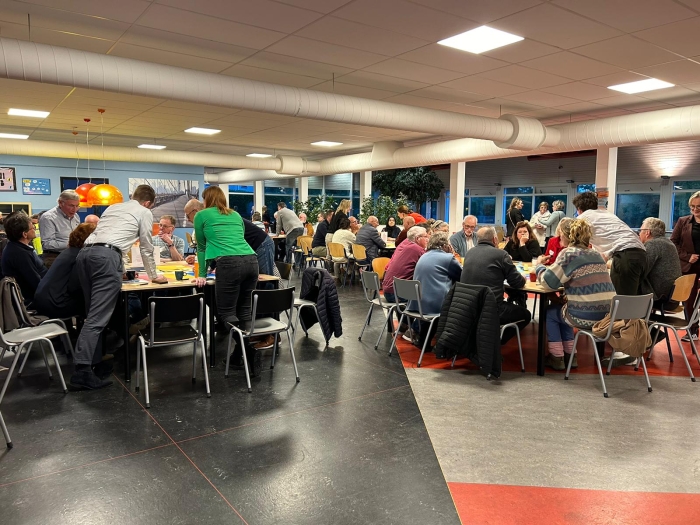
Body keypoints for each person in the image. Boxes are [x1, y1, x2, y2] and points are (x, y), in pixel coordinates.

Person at [72, 185, 166, 390]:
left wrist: (120, 269)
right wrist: (154, 276)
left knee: (91, 315)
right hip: (106, 258)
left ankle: (94, 362)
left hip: (85, 255)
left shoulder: (113, 208)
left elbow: (109, 238)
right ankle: (82, 372)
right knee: (97, 319)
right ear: (148, 203)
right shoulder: (144, 212)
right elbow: (146, 247)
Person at [535, 218, 617, 370]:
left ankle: (556, 357)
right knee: (565, 310)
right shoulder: (596, 254)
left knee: (551, 313)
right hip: (608, 317)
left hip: (587, 316)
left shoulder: (569, 254)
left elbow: (548, 282)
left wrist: (539, 265)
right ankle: (570, 355)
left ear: (567, 235)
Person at [194, 186, 260, 366]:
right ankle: (240, 356)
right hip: (252, 260)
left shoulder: (201, 215)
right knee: (243, 311)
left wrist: (202, 274)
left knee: (225, 313)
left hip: (229, 264)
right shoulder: (235, 215)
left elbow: (201, 247)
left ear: (207, 199)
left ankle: (248, 350)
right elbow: (235, 240)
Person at [461, 226, 531, 343]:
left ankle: (486, 338)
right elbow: (517, 283)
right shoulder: (501, 254)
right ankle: (496, 341)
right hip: (492, 308)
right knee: (526, 315)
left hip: (468, 306)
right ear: (494, 239)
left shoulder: (469, 253)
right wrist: (522, 278)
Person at [573, 191, 646, 295]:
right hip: (642, 254)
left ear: (579, 209)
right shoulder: (607, 214)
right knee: (633, 298)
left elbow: (574, 244)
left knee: (620, 300)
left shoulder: (582, 218)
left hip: (626, 256)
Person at [409, 232, 462, 347]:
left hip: (417, 303)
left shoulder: (424, 255)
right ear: (445, 245)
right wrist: (452, 255)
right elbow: (462, 275)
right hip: (435, 306)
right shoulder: (447, 258)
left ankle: (423, 340)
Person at [33, 223, 96, 319]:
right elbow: (75, 287)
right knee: (98, 303)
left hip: (43, 301)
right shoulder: (79, 256)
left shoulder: (67, 253)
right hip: (56, 304)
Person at [671, 190, 700, 340]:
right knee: (689, 300)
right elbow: (673, 243)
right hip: (689, 266)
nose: (695, 209)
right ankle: (692, 330)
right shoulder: (683, 221)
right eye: (692, 206)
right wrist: (687, 257)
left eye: (699, 207)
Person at [0, 211, 47, 304]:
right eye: (32, 227)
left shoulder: (15, 247)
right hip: (32, 301)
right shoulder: (20, 254)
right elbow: (35, 282)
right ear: (24, 234)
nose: (35, 229)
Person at [640, 217, 681, 310]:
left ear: (647, 232)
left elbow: (641, 270)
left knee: (629, 280)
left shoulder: (653, 244)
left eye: (641, 230)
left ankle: (626, 317)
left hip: (660, 297)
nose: (639, 233)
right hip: (672, 296)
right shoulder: (668, 242)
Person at [382, 226, 429, 303]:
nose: (428, 239)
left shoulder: (404, 243)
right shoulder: (417, 249)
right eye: (426, 236)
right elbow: (430, 264)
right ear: (417, 238)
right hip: (397, 294)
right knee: (433, 295)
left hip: (389, 290)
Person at [39, 189, 81, 267]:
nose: (74, 209)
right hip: (54, 257)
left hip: (73, 255)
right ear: (60, 203)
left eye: (77, 206)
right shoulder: (48, 217)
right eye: (71, 206)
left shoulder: (76, 217)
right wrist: (71, 244)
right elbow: (47, 244)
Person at [184, 198, 204, 264]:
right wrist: (196, 258)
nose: (188, 219)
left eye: (188, 215)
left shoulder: (208, 224)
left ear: (195, 211)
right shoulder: (200, 225)